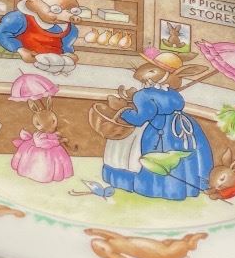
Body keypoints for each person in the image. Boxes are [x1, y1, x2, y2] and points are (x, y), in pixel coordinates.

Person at [91, 53, 214, 202]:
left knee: (151, 154)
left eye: (151, 69)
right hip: (181, 128)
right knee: (181, 156)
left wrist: (124, 112)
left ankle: (154, 187)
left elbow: (140, 119)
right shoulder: (173, 94)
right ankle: (180, 187)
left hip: (159, 130)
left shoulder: (144, 95)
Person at [0, 0, 81, 66]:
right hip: (22, 58)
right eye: (56, 9)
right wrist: (20, 50)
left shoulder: (70, 29)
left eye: (74, 11)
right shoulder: (19, 18)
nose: (69, 15)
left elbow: (66, 46)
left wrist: (69, 54)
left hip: (53, 62)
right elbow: (0, 34)